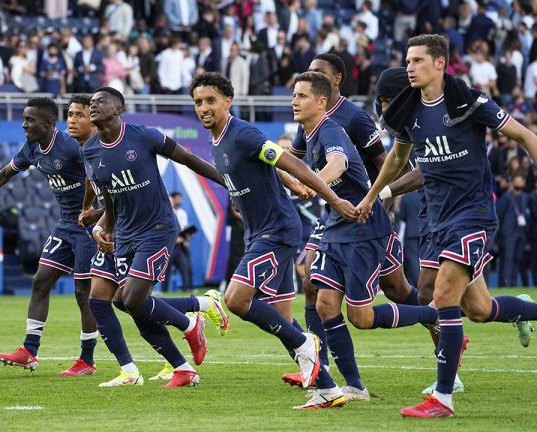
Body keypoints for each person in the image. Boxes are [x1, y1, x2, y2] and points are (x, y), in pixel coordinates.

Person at [356, 34, 537, 418]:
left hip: (471, 214)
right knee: (478, 309)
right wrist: (373, 196)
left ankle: (443, 397)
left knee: (442, 297)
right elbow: (395, 159)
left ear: (440, 63)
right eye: (407, 61)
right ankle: (524, 309)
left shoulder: (468, 102)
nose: (409, 67)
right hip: (435, 218)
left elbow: (524, 135)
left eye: (418, 60)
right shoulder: (408, 112)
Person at [190, 72, 365, 409]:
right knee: (282, 318)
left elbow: (288, 160)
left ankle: (306, 346)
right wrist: (246, 198)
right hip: (262, 230)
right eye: (198, 102)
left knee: (236, 300)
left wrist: (331, 197)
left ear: (228, 102)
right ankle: (328, 389)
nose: (204, 107)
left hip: (277, 232)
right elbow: (269, 168)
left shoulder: (242, 133)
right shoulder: (218, 140)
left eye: (211, 100)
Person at [291, 71, 440, 401]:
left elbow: (338, 164)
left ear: (321, 101)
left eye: (301, 96)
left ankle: (434, 314)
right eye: (293, 95)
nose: (294, 101)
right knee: (324, 301)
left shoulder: (332, 129)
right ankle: (351, 384)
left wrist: (312, 184)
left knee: (363, 316)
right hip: (336, 228)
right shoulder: (308, 132)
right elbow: (293, 163)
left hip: (362, 230)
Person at [80, 87, 225, 387]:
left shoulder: (144, 136)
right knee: (124, 302)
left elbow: (186, 159)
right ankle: (183, 366)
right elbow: (109, 194)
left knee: (132, 299)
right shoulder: (90, 150)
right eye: (90, 103)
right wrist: (104, 227)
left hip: (157, 229)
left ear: (118, 109)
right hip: (125, 234)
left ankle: (188, 324)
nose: (92, 105)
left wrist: (226, 182)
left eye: (99, 101)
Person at [0, 97, 100, 377]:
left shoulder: (71, 147)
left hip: (88, 226)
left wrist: (99, 213)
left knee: (84, 294)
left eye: (30, 120)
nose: (24, 125)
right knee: (40, 281)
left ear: (48, 123)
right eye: (23, 119)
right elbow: (5, 173)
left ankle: (87, 360)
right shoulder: (33, 147)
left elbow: (100, 177)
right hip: (65, 225)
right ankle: (29, 351)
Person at [161, 192, 192, 292]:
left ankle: (187, 288)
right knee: (166, 269)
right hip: (170, 245)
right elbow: (162, 229)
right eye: (176, 198)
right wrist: (174, 239)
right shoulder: (165, 213)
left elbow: (185, 227)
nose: (178, 200)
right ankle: (164, 290)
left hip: (181, 245)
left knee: (185, 266)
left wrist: (187, 237)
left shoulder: (182, 213)